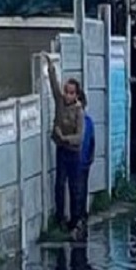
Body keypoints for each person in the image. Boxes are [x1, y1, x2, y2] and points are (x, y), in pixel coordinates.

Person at [43, 53, 85, 236]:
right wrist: (51, 67)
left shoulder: (79, 111)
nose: (67, 95)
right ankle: (61, 218)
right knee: (60, 184)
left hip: (73, 152)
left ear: (76, 95)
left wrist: (64, 137)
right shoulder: (60, 102)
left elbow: (79, 137)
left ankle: (75, 220)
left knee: (74, 186)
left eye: (71, 93)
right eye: (66, 91)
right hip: (61, 151)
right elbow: (53, 86)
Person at [74, 92, 96, 241]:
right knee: (77, 190)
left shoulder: (88, 121)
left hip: (84, 161)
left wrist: (90, 158)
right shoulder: (74, 122)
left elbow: (92, 141)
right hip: (75, 160)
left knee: (82, 189)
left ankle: (81, 216)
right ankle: (78, 217)